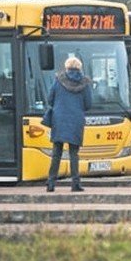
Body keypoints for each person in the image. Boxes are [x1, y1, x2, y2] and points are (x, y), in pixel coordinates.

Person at [46, 57, 93, 192]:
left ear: (66, 67)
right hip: (76, 120)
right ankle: (75, 184)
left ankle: (51, 182)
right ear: (79, 68)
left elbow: (50, 99)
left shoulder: (58, 80)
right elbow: (88, 104)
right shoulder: (84, 83)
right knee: (74, 153)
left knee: (57, 153)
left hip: (59, 119)